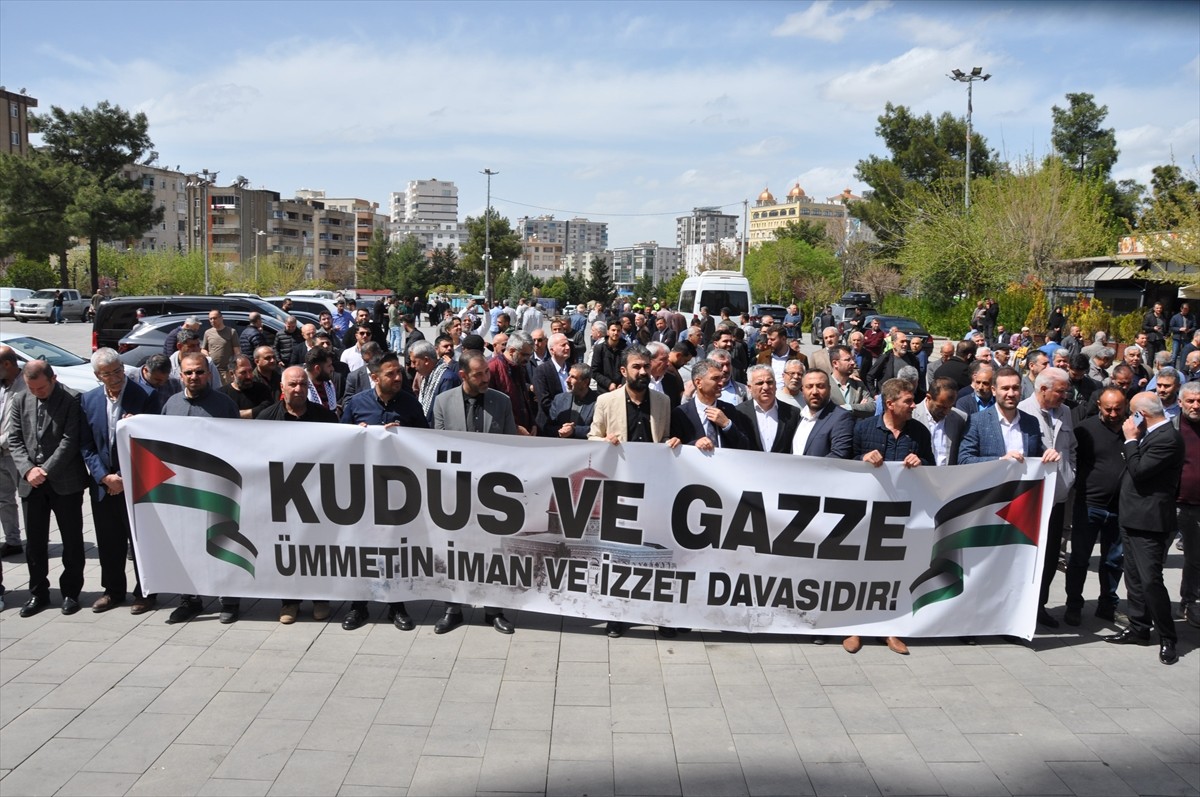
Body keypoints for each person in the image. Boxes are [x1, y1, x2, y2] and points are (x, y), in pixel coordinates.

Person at [588, 345, 681, 637]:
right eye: (636, 367)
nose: (642, 372)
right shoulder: (605, 401)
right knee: (620, 556)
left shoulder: (663, 401)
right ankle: (618, 614)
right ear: (624, 371)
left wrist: (672, 444)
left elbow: (664, 437)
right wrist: (605, 442)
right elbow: (592, 438)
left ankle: (659, 614)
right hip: (620, 489)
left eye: (645, 366)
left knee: (657, 555)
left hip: (655, 491)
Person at [339, 352, 428, 632]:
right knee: (361, 547)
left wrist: (406, 437)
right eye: (391, 374)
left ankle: (396, 605)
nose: (399, 378)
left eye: (400, 372)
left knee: (395, 547)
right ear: (375, 377)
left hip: (399, 491)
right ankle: (359, 605)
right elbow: (338, 441)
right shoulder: (357, 404)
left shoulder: (410, 404)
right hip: (363, 490)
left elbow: (427, 441)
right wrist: (358, 432)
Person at [431, 351, 518, 635]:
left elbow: (510, 446)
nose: (485, 379)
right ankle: (452, 608)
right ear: (463, 375)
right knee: (455, 550)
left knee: (494, 551)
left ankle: (494, 609)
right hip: (456, 491)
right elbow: (438, 446)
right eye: (479, 374)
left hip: (494, 492)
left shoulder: (501, 402)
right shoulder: (443, 402)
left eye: (487, 373)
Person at [847, 378, 933, 655]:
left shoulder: (920, 432)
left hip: (903, 516)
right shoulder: (863, 429)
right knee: (860, 570)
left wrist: (922, 464)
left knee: (896, 574)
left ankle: (890, 630)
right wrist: (861, 459)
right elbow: (841, 464)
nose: (913, 405)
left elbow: (933, 467)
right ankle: (853, 627)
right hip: (867, 514)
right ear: (890, 403)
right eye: (908, 401)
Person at [161, 352, 241, 624]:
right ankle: (189, 599)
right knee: (186, 546)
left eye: (199, 372)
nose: (194, 377)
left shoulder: (224, 405)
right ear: (180, 375)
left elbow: (238, 445)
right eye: (188, 372)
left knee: (221, 544)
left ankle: (229, 599)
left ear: (208, 374)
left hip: (218, 489)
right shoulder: (171, 404)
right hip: (182, 491)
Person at [79, 348, 160, 615]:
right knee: (109, 540)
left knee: (140, 540)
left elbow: (154, 443)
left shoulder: (145, 397)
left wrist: (125, 477)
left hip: (136, 483)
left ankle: (145, 592)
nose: (114, 378)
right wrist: (104, 476)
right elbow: (86, 445)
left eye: (117, 371)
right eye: (107, 374)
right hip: (104, 485)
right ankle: (112, 591)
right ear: (97, 375)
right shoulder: (88, 400)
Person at [1106, 392, 1185, 665]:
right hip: (1131, 517)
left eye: (1131, 413)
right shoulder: (1150, 434)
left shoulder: (1167, 439)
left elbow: (1140, 470)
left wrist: (1129, 439)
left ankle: (1167, 637)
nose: (1128, 419)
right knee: (1134, 578)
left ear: (1142, 414)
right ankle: (1139, 628)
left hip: (1150, 521)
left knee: (1151, 579)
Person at [8, 360, 90, 617]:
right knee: (35, 542)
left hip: (65, 481)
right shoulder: (20, 399)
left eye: (41, 388)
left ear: (53, 378)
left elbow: (70, 440)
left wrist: (45, 470)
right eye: (33, 389)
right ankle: (38, 593)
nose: (37, 393)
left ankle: (71, 593)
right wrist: (28, 470)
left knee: (72, 540)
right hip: (31, 482)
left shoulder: (72, 398)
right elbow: (15, 438)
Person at [259, 366, 337, 624]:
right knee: (287, 551)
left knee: (317, 549)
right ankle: (289, 602)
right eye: (293, 384)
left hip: (316, 497)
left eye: (303, 384)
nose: (298, 389)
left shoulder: (325, 418)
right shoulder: (266, 419)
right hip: (282, 499)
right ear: (282, 387)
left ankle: (320, 598)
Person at [1018, 367, 1077, 628]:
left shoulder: (1064, 412)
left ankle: (1040, 605)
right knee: (1027, 558)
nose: (1065, 397)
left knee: (1051, 556)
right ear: (1043, 389)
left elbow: (1071, 448)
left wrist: (1070, 473)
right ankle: (1020, 608)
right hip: (1030, 501)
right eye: (1061, 392)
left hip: (1058, 498)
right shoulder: (1022, 412)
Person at [1065, 387, 1128, 626]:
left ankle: (1107, 605)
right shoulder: (1084, 430)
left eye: (1118, 409)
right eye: (1108, 408)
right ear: (1099, 406)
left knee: (1114, 560)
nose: (1113, 414)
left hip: (1120, 507)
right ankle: (1073, 605)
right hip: (1089, 504)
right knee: (1079, 558)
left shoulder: (1132, 430)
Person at [670, 361, 750, 451]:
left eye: (721, 378)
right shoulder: (681, 414)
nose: (721, 383)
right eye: (715, 378)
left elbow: (744, 445)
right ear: (698, 382)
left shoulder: (729, 410)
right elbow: (676, 447)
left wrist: (727, 425)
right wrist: (695, 444)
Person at [1176, 381, 1200, 627]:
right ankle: (1149, 605)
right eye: (1191, 401)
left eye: (1199, 401)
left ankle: (1189, 602)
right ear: (1180, 402)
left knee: (1195, 559)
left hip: (1197, 506)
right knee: (1155, 557)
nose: (1195, 406)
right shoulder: (1169, 428)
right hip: (1170, 503)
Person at [735, 365, 800, 453]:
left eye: (769, 382)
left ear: (775, 385)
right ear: (750, 388)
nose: (765, 387)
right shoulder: (739, 413)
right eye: (760, 383)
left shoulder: (793, 413)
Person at [0, 346, 27, 559]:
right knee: (3, 500)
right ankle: (13, 541)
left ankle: (36, 540)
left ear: (7, 364)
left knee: (29, 500)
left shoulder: (27, 385)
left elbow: (20, 426)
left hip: (18, 455)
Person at [792, 369, 854, 459]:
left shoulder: (841, 417)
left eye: (820, 386)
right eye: (809, 386)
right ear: (802, 390)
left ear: (829, 389)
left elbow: (839, 455)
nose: (814, 392)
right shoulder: (801, 416)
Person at [913, 376, 968, 467]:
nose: (946, 412)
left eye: (950, 407)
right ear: (928, 397)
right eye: (941, 407)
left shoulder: (960, 419)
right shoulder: (912, 416)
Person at [544, 363, 598, 439]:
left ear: (585, 382)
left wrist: (574, 430)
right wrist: (562, 431)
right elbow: (548, 427)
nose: (567, 380)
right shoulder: (559, 399)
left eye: (573, 377)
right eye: (568, 375)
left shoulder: (598, 401)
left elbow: (599, 429)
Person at [202, 310, 240, 384]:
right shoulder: (208, 333)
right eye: (210, 319)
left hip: (227, 371)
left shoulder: (231, 332)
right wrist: (207, 356)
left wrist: (235, 366)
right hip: (212, 370)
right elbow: (203, 349)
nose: (212, 320)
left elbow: (237, 351)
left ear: (222, 318)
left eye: (215, 318)